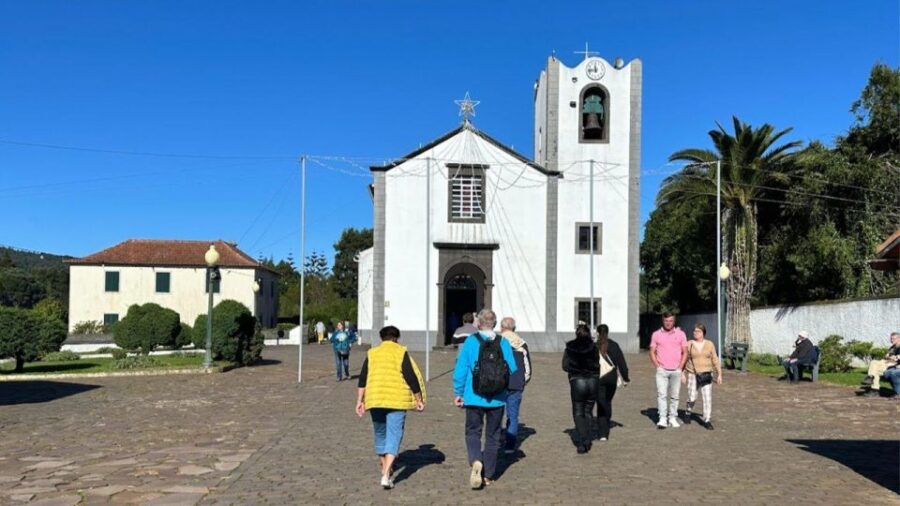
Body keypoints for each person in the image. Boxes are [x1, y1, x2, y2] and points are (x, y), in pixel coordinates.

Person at [452, 309, 518, 489]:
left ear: (479, 323)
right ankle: (488, 475)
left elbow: (460, 369)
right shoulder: (503, 342)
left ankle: (475, 460)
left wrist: (458, 393)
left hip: (473, 396)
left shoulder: (471, 341)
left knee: (472, 431)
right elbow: (512, 368)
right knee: (493, 435)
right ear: (495, 324)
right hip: (497, 397)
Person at [356, 326, 426, 489]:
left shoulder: (372, 353)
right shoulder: (401, 352)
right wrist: (418, 398)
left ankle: (385, 466)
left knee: (380, 433)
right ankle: (386, 474)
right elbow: (411, 376)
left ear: (381, 338)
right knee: (394, 435)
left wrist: (359, 401)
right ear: (397, 338)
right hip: (397, 400)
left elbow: (362, 379)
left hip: (375, 399)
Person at [562, 325, 600, 454]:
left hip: (577, 381)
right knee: (588, 411)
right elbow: (597, 364)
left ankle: (584, 440)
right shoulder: (594, 347)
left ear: (576, 334)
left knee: (578, 412)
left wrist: (574, 368)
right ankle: (587, 438)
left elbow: (565, 366)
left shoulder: (570, 347)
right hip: (593, 381)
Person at [649, 312, 688, 429]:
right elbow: (652, 351)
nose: (668, 323)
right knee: (662, 395)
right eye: (666, 321)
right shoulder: (656, 334)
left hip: (676, 370)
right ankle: (662, 418)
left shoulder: (681, 334)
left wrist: (680, 367)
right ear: (663, 321)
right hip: (662, 370)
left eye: (671, 321)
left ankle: (672, 418)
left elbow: (685, 352)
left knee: (675, 396)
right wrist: (657, 366)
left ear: (674, 321)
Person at [500, 317, 531, 454]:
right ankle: (510, 446)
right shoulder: (522, 344)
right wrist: (523, 381)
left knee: (495, 414)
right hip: (516, 383)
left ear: (501, 328)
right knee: (512, 416)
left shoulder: (497, 342)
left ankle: (495, 441)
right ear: (514, 328)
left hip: (498, 384)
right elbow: (528, 368)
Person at [681, 323, 722, 430]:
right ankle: (688, 411)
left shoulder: (709, 344)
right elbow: (684, 359)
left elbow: (715, 359)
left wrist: (719, 374)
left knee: (707, 398)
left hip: (707, 374)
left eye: (698, 331)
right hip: (692, 374)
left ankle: (707, 420)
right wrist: (682, 373)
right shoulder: (689, 344)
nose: (695, 333)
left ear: (703, 333)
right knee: (692, 397)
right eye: (694, 331)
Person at [595, 324, 629, 441]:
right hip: (612, 377)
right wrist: (626, 377)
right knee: (607, 401)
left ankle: (603, 434)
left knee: (601, 404)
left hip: (598, 378)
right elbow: (622, 363)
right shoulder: (614, 345)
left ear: (597, 333)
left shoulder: (594, 346)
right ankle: (607, 420)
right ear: (608, 332)